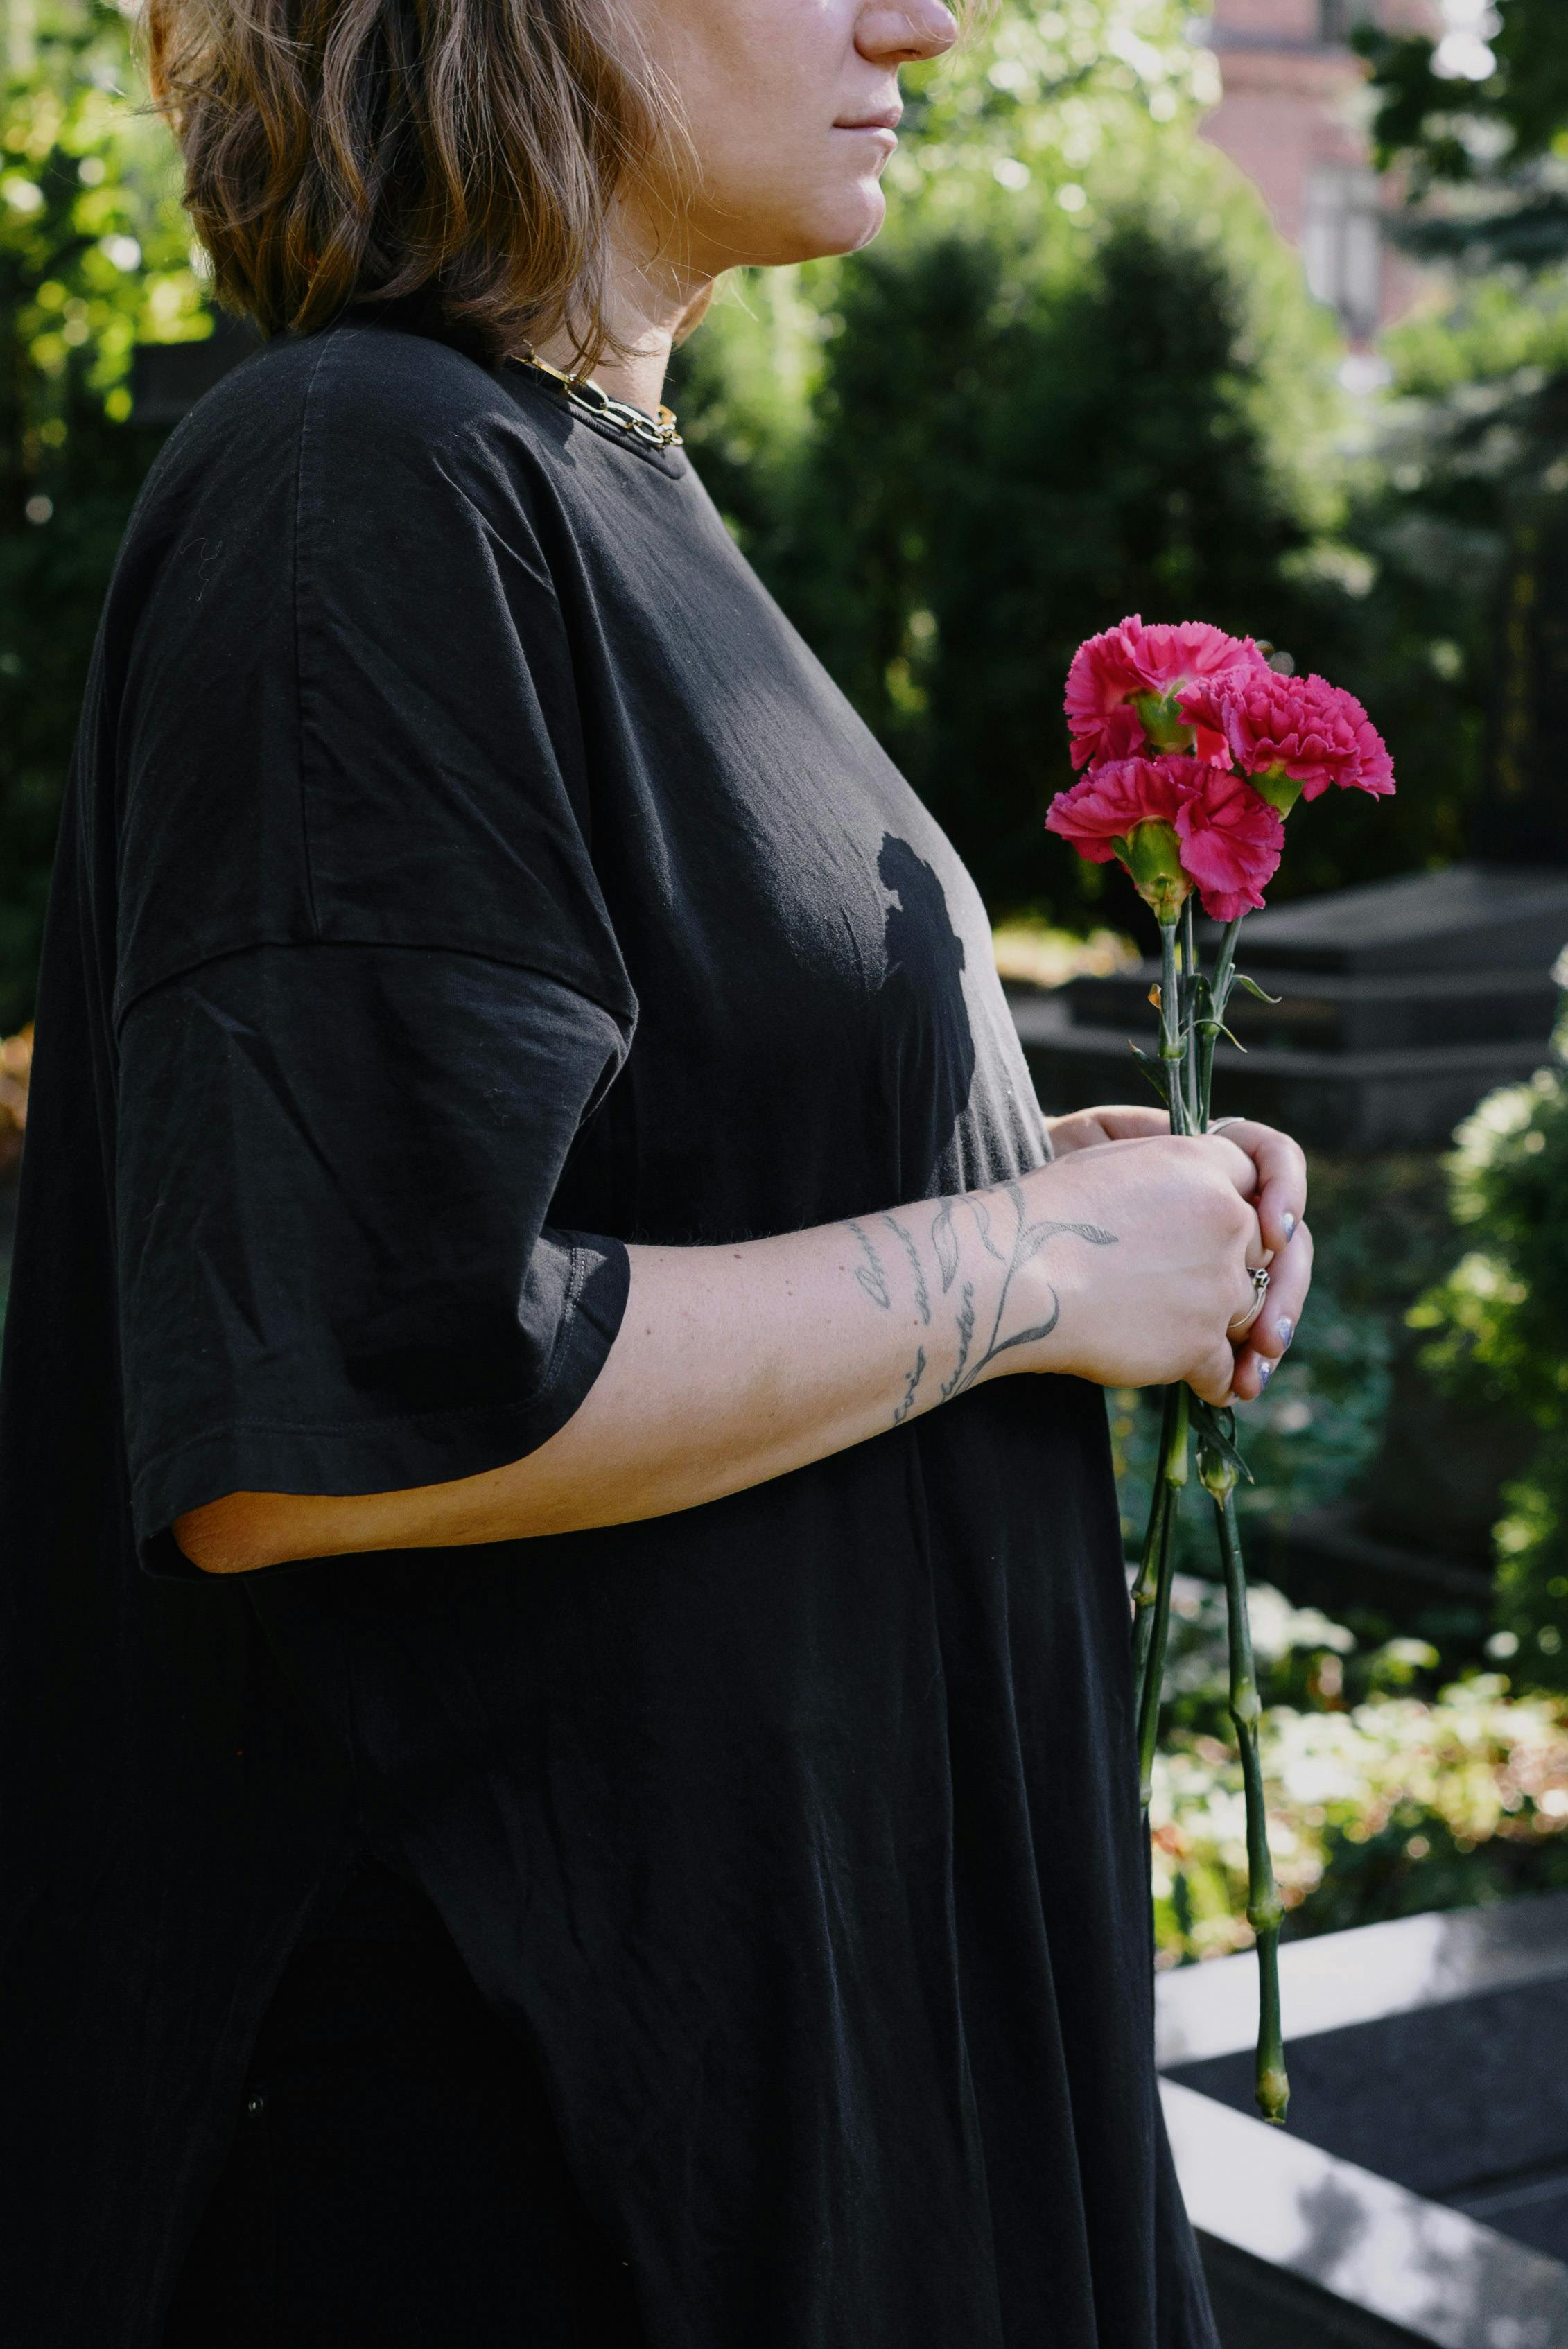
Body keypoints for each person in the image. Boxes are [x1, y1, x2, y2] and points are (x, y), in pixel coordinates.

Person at [0, 1, 1313, 2343]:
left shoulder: (577, 474)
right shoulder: (360, 473)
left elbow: (621, 1167)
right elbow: (341, 1406)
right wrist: (1024, 1262)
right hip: (529, 2182)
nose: (921, 13)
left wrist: (1028, 1164)